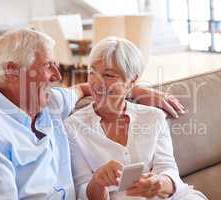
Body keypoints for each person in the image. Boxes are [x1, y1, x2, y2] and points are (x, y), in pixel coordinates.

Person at [0, 29, 184, 199]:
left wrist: (133, 89)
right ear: (12, 71)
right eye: (48, 66)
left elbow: (84, 88)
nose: (57, 76)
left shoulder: (50, 101)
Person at [65, 37, 208, 200]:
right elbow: (81, 191)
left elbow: (168, 169)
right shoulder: (73, 127)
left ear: (131, 81)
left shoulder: (154, 117)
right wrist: (98, 181)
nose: (97, 83)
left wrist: (159, 183)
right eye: (92, 72)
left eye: (108, 75)